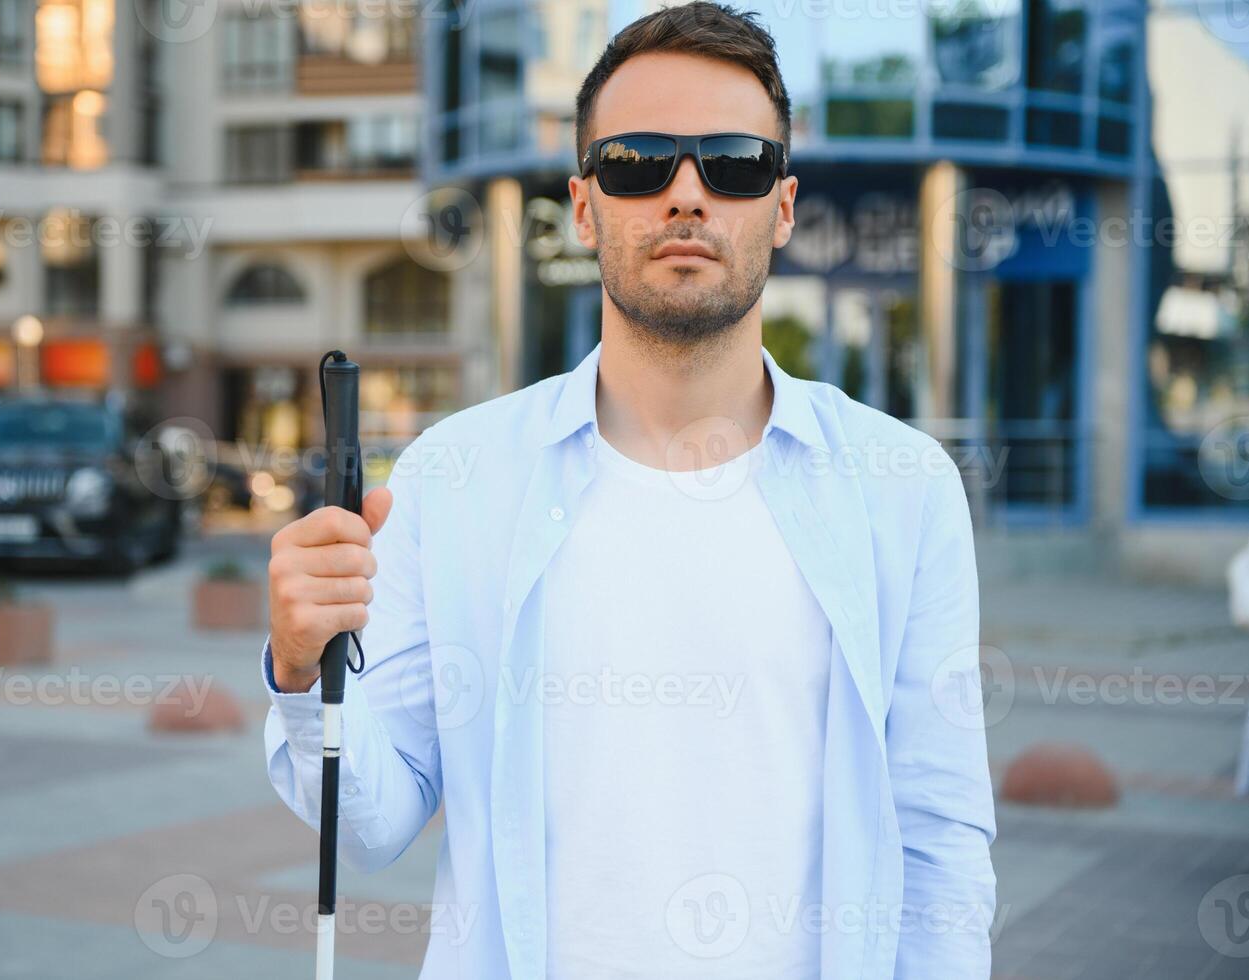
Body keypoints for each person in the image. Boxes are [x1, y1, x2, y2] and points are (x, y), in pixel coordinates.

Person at [261, 5, 996, 978]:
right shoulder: (455, 476)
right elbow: (371, 820)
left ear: (780, 205)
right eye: (638, 161)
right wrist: (304, 665)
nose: (685, 194)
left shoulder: (903, 487)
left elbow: (941, 840)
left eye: (732, 163)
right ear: (582, 203)